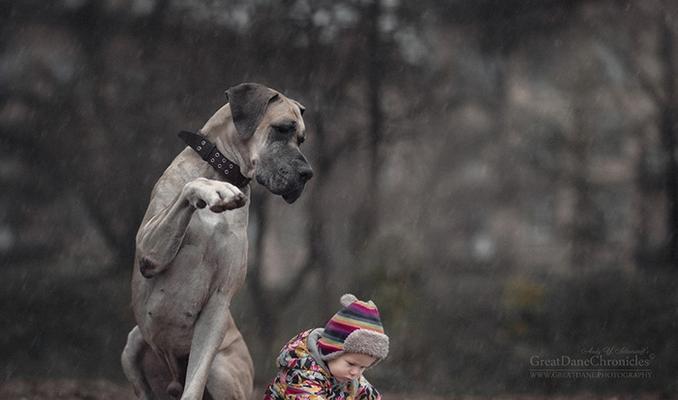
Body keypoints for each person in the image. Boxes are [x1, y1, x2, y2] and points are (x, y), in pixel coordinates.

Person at [263, 294, 389, 400]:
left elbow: (368, 395)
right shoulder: (304, 374)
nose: (355, 372)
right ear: (332, 352)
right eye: (351, 364)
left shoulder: (348, 376)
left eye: (362, 367)